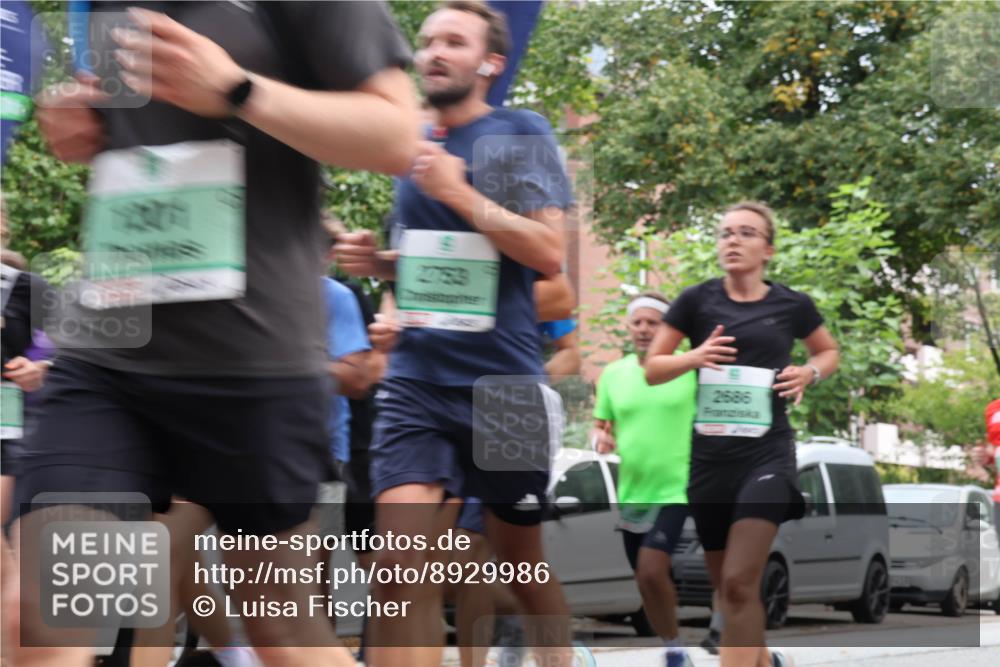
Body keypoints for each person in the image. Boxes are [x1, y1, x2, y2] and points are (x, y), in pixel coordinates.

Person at [8, 3, 418, 666]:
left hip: (251, 361)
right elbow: (135, 138)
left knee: (281, 629)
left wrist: (237, 90)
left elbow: (396, 135)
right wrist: (79, 118)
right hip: (110, 350)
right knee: (41, 612)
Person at [336, 3, 588, 665]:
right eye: (427, 42)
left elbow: (545, 252)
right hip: (418, 382)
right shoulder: (412, 145)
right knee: (397, 563)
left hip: (504, 389)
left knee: (518, 564)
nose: (435, 53)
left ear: (490, 62)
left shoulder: (517, 132)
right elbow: (441, 261)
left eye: (455, 41)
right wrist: (382, 267)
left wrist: (458, 191)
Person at [644, 201, 840, 667]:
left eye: (746, 233)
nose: (732, 240)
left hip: (766, 457)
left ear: (767, 249)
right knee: (729, 592)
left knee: (737, 580)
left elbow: (828, 351)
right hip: (711, 462)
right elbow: (652, 368)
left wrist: (809, 372)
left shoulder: (791, 305)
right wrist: (695, 357)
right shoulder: (695, 301)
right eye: (725, 233)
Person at [591, 292, 696, 667]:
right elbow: (601, 427)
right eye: (637, 322)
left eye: (653, 322)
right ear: (628, 326)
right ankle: (674, 644)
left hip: (678, 488)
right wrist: (600, 439)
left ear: (668, 329)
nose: (643, 329)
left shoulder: (689, 369)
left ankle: (678, 649)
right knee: (646, 579)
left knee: (652, 567)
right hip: (634, 491)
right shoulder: (613, 375)